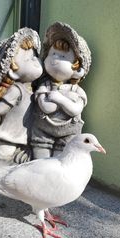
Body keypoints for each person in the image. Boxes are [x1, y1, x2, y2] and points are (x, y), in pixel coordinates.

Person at [0, 27, 43, 172]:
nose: (35, 59)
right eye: (27, 58)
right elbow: (1, 108)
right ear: (13, 72)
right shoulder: (16, 89)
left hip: (23, 133)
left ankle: (11, 167)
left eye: (34, 55)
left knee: (17, 155)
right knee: (3, 152)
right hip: (8, 132)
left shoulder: (32, 90)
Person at [31, 22, 91, 159]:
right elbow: (46, 108)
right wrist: (61, 99)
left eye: (62, 56)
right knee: (40, 160)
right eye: (52, 53)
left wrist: (59, 98)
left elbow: (75, 110)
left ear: (78, 69)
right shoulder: (45, 85)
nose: (54, 59)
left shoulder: (77, 90)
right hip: (43, 132)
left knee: (61, 161)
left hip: (67, 134)